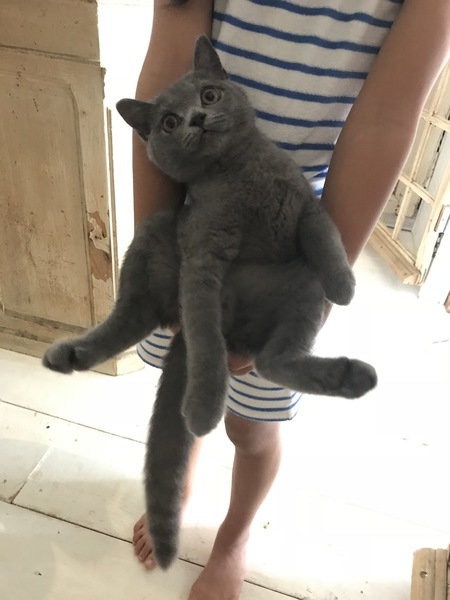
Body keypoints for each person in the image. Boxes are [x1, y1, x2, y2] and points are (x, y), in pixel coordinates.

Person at [130, 1, 450, 598]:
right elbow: (167, 71)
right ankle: (185, 474)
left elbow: (383, 120)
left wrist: (314, 291)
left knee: (251, 428)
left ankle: (234, 537)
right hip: (191, 215)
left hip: (293, 238)